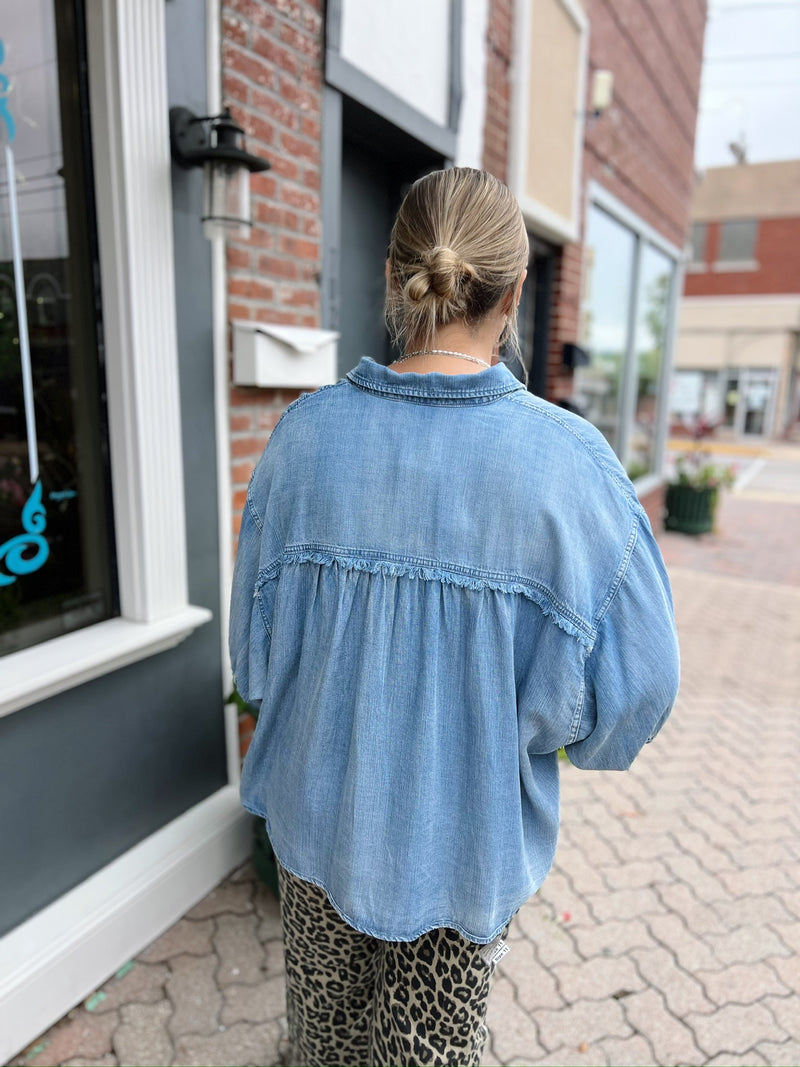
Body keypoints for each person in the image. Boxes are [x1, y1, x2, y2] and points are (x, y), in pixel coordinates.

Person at [229, 167, 680, 1067]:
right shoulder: (572, 471)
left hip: (317, 838)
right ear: (513, 295)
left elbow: (256, 660)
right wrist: (535, 730)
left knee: (323, 1046)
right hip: (465, 855)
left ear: (397, 280)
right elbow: (640, 691)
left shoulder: (302, 440)